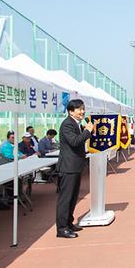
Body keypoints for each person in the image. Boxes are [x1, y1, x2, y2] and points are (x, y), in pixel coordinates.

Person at [56, 99, 94, 239]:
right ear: (71, 111)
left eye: (83, 109)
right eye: (79, 109)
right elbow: (75, 141)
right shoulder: (67, 124)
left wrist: (85, 130)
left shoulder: (76, 124)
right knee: (66, 199)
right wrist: (88, 131)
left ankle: (69, 223)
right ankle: (62, 228)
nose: (82, 112)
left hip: (75, 166)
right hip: (68, 167)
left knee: (73, 198)